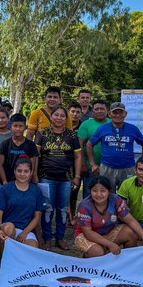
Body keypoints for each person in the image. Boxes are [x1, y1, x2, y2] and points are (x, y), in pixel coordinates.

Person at [36, 106, 82, 250]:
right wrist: (34, 175)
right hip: (46, 178)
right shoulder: (42, 134)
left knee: (63, 209)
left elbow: (77, 156)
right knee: (47, 209)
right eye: (56, 115)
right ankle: (47, 238)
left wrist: (77, 176)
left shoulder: (72, 135)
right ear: (51, 117)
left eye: (63, 116)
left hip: (66, 178)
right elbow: (36, 156)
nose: (59, 118)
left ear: (66, 119)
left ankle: (60, 238)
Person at [74, 176, 143, 257]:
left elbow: (130, 220)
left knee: (131, 232)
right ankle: (87, 257)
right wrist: (110, 244)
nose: (98, 194)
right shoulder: (85, 205)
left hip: (107, 232)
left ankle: (128, 262)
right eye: (94, 191)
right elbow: (88, 233)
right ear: (90, 191)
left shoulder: (115, 200)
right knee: (98, 252)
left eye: (103, 191)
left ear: (109, 191)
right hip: (85, 235)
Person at [86, 102, 143, 190]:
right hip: (107, 168)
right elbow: (89, 145)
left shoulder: (133, 128)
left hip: (128, 168)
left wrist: (142, 162)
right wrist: (93, 164)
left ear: (125, 114)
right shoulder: (103, 128)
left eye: (120, 112)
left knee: (128, 195)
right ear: (110, 114)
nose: (118, 115)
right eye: (115, 112)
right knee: (107, 194)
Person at [0, 158, 45, 248]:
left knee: (32, 249)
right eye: (19, 171)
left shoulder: (36, 191)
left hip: (25, 230)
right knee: (9, 227)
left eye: (26, 171)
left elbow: (37, 217)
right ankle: (7, 258)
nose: (22, 174)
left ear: (31, 172)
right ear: (14, 171)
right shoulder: (6, 189)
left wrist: (25, 233)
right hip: (5, 229)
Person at [77, 99, 110, 200]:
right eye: (97, 109)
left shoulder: (112, 123)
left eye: (102, 109)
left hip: (109, 167)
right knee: (89, 192)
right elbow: (80, 145)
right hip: (91, 167)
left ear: (107, 111)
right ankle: (87, 214)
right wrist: (83, 164)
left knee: (106, 192)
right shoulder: (86, 124)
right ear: (92, 111)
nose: (99, 111)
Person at [0, 113, 39, 185]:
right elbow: (0, 164)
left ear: (25, 127)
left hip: (25, 182)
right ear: (10, 127)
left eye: (21, 126)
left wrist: (27, 181)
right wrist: (4, 181)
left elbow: (32, 165)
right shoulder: (5, 144)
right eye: (15, 126)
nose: (18, 129)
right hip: (8, 182)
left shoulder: (31, 145)